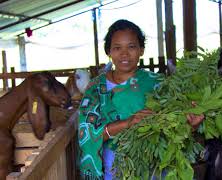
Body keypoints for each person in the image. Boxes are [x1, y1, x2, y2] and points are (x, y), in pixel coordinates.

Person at [77, 19, 204, 180]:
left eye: (131, 47)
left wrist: (191, 124)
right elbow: (86, 133)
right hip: (113, 171)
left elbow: (173, 128)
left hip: (156, 170)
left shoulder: (159, 84)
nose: (124, 54)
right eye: (117, 48)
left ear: (141, 50)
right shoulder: (95, 89)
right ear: (109, 52)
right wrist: (127, 123)